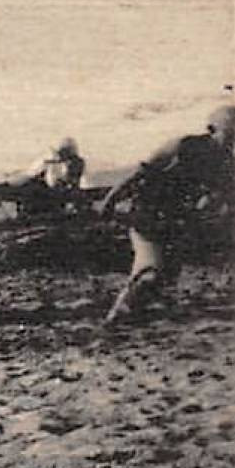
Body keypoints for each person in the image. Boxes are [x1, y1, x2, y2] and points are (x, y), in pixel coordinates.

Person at [99, 106, 235, 325]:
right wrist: (110, 201)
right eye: (230, 133)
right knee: (151, 273)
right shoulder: (183, 146)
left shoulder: (226, 163)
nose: (231, 140)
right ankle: (116, 318)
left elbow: (224, 197)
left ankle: (131, 311)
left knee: (164, 277)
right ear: (212, 129)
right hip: (148, 214)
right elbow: (139, 174)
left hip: (176, 221)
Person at [0, 138, 87, 218]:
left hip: (48, 193)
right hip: (50, 192)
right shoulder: (65, 163)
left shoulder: (66, 164)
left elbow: (61, 183)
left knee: (15, 187)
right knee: (17, 186)